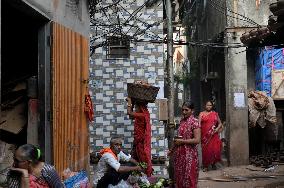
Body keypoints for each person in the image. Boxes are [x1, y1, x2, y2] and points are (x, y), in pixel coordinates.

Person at [170, 101, 201, 188]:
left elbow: (197, 140)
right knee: (180, 178)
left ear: (192, 111)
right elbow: (179, 138)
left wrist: (183, 141)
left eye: (186, 110)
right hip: (180, 155)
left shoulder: (195, 122)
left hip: (190, 156)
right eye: (182, 110)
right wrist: (172, 150)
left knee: (189, 178)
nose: (184, 112)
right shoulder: (182, 121)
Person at [126, 97, 153, 177]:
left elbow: (130, 113)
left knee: (143, 159)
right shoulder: (141, 115)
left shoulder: (142, 115)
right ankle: (139, 176)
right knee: (137, 158)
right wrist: (133, 104)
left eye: (136, 107)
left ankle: (145, 175)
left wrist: (129, 102)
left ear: (140, 107)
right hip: (138, 141)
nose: (135, 109)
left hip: (141, 142)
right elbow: (131, 116)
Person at [199, 100, 223, 171]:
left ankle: (213, 163)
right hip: (204, 136)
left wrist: (217, 129)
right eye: (207, 105)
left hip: (214, 135)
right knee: (206, 151)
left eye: (210, 105)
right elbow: (198, 125)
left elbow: (220, 123)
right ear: (205, 106)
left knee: (215, 150)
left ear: (212, 106)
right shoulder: (201, 114)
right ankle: (205, 166)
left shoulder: (215, 114)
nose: (209, 106)